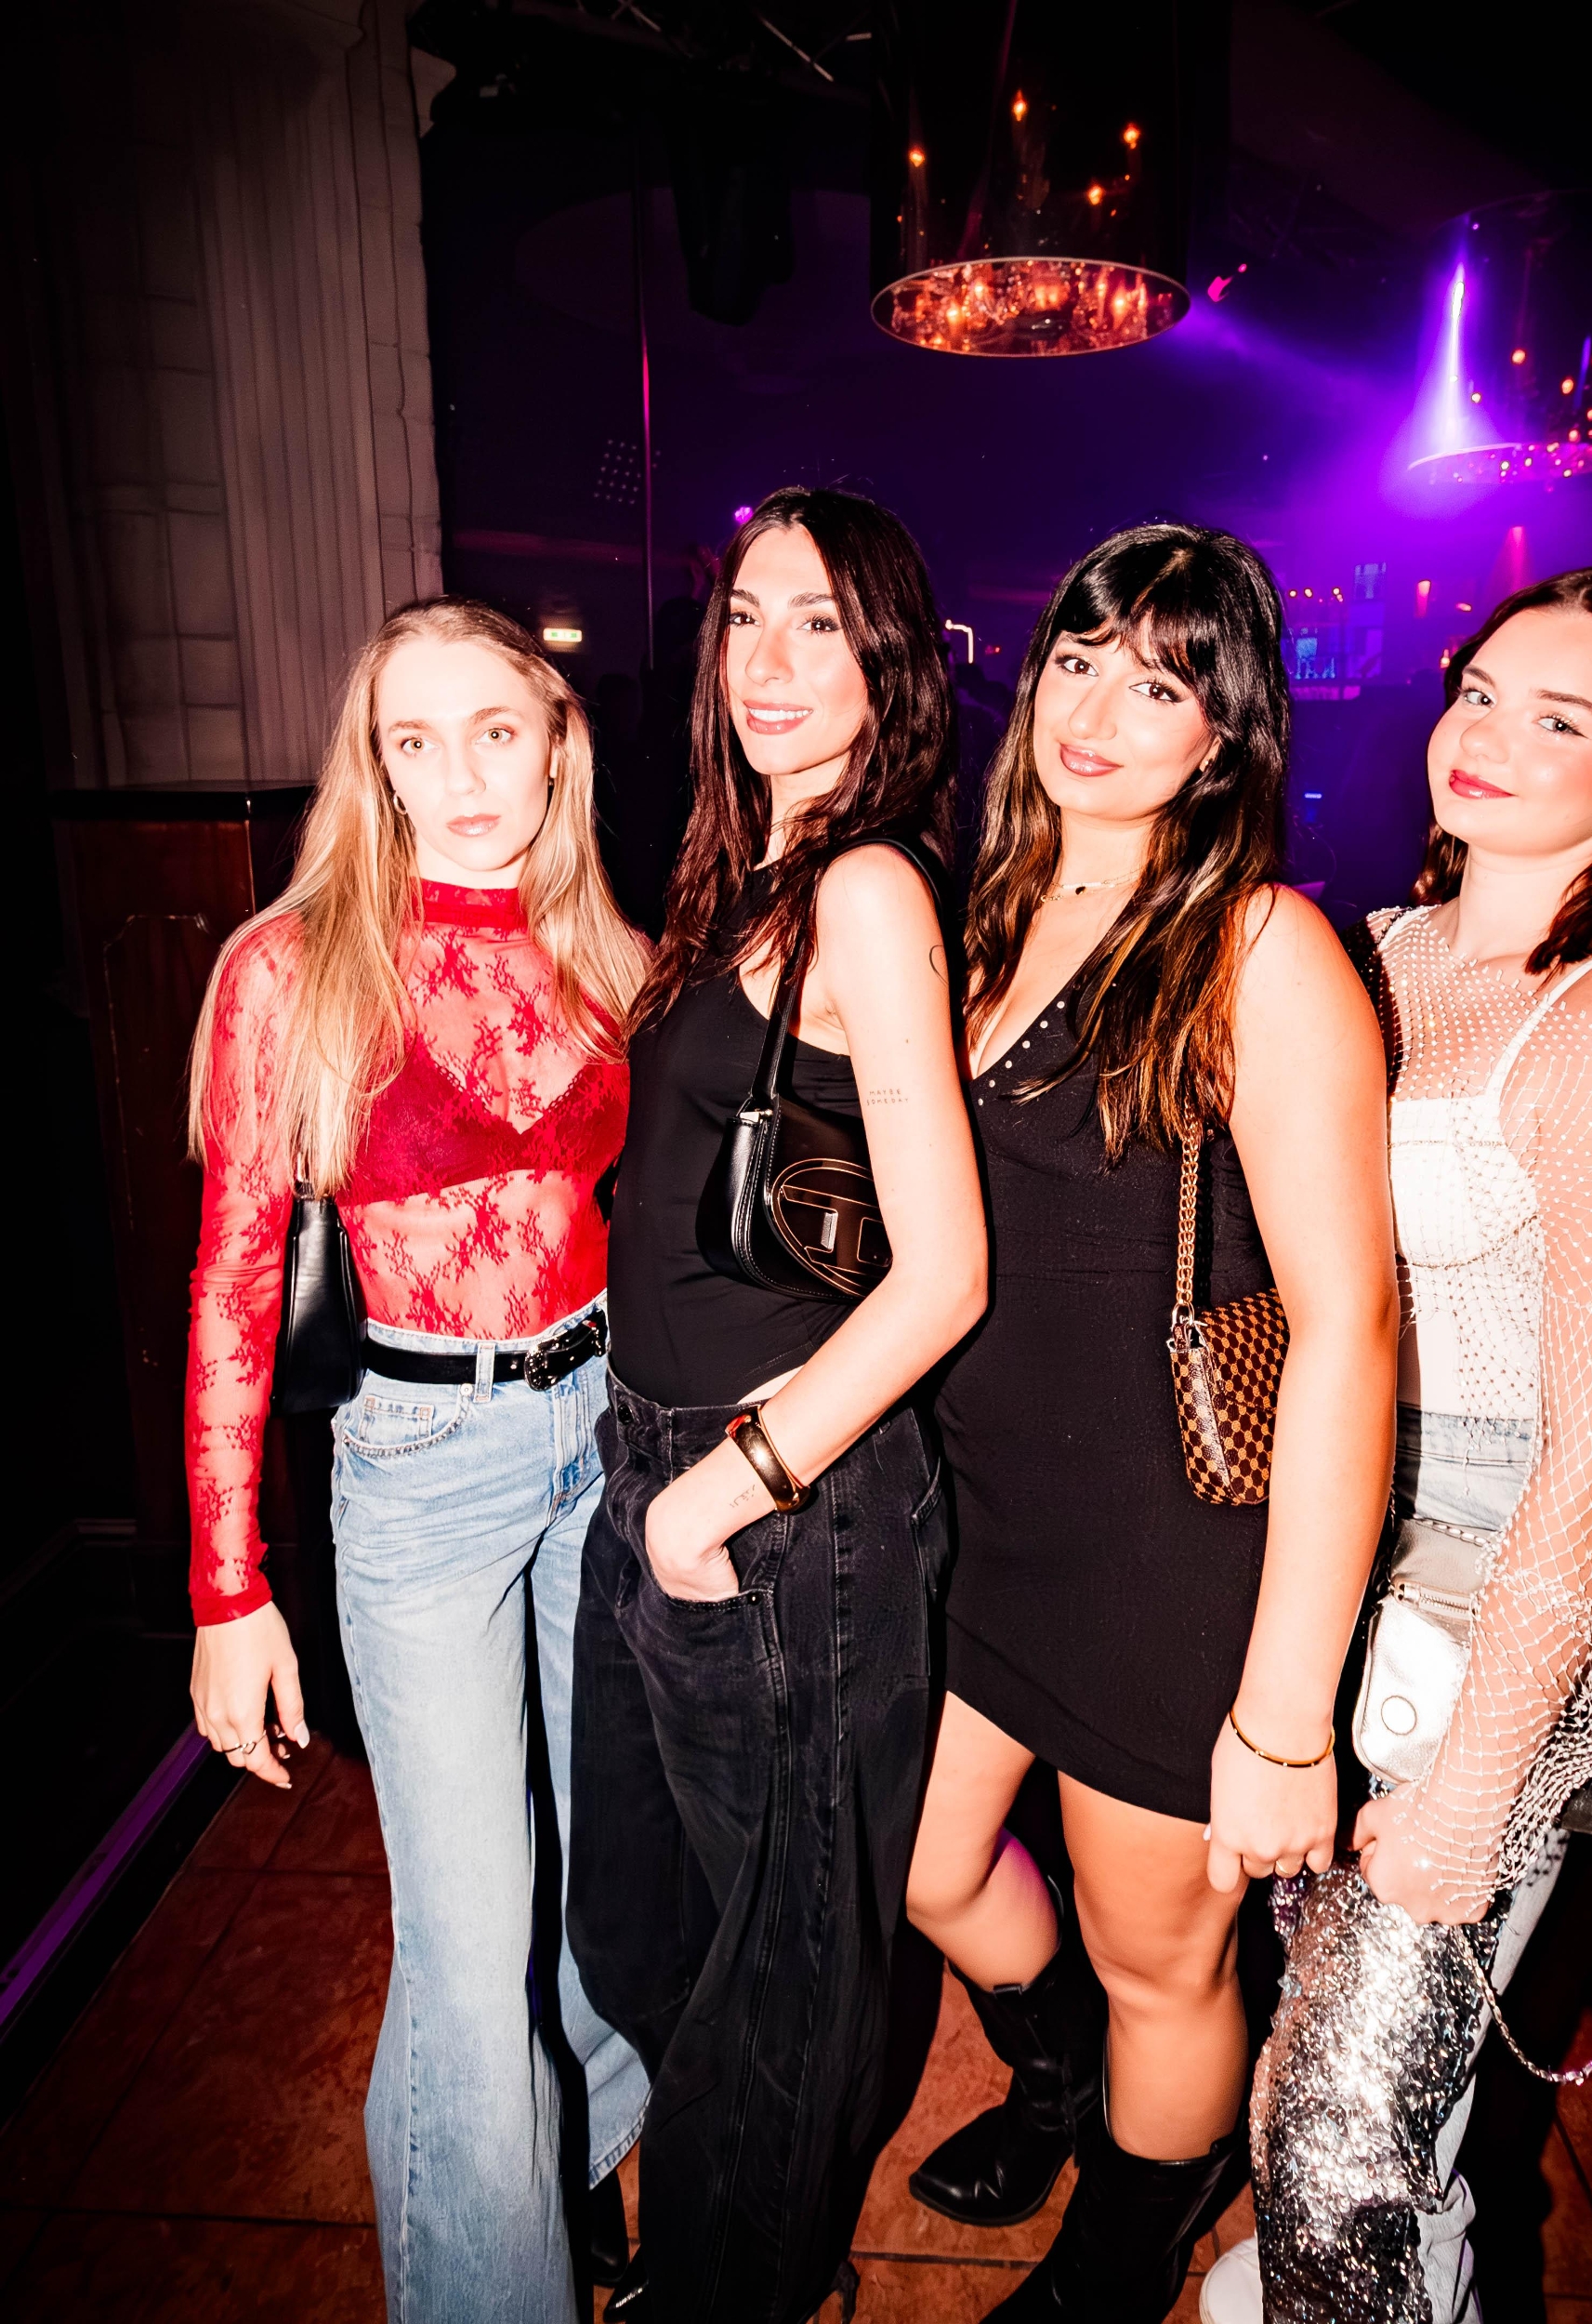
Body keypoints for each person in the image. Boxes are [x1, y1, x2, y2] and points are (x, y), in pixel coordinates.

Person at [1202, 566, 1592, 2323]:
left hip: (1489, 1585)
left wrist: (1470, 1797)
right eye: (1482, 691)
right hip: (1328, 1536)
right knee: (1314, 2081)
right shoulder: (1380, 950)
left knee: (1345, 2146)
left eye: (1561, 716)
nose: (1490, 735)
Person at [902, 523, 1400, 2321]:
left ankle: (1116, 2257)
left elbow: (1349, 1329)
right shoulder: (985, 916)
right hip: (981, 1526)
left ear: (1226, 734)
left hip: (1158, 1559)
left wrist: (1285, 1714)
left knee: (1157, 1961)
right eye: (1080, 659)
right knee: (923, 1862)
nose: (1099, 710)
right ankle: (1057, 2084)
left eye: (1160, 683)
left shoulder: (1258, 945)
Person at [185, 600, 652, 2324]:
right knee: (469, 1958)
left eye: (495, 731)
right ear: (370, 766)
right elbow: (234, 1279)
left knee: (604, 1890)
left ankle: (539, 2182)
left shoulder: (609, 948)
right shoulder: (294, 964)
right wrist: (227, 1591)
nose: (460, 775)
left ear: (557, 740)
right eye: (412, 740)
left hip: (603, 1445)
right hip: (426, 1461)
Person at [566, 487, 989, 2322]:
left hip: (783, 1498)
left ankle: (733, 2275)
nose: (769, 661)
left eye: (820, 624)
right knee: (642, 1919)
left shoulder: (867, 887)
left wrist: (719, 1490)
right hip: (658, 1463)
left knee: (784, 1967)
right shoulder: (736, 866)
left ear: (889, 665)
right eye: (747, 615)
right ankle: (751, 2217)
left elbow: (945, 1271)